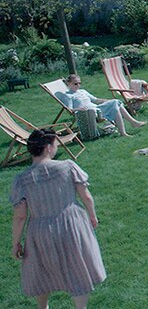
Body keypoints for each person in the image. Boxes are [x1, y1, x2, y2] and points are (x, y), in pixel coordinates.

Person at [10, 129, 106, 309]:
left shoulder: (22, 179)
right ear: (48, 148)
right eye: (55, 144)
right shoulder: (68, 166)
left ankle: (43, 307)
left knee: (41, 270)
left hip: (40, 231)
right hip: (72, 224)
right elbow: (86, 196)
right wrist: (92, 215)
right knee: (77, 267)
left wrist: (16, 243)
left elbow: (20, 216)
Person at [60, 74, 145, 137]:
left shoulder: (82, 91)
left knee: (115, 102)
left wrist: (107, 100)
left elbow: (95, 100)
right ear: (69, 83)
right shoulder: (68, 95)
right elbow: (70, 110)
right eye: (75, 84)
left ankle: (127, 128)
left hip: (96, 108)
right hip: (88, 112)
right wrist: (80, 108)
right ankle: (130, 126)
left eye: (79, 83)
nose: (78, 85)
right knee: (115, 104)